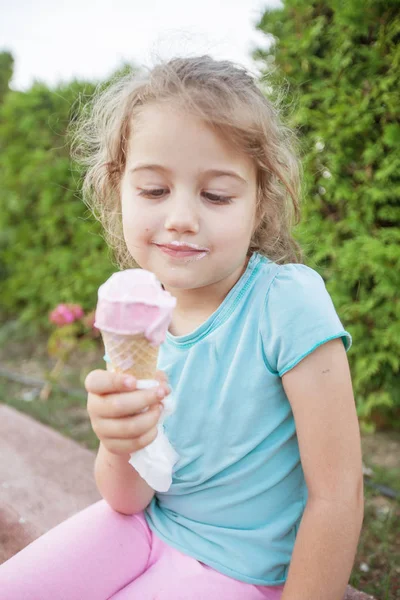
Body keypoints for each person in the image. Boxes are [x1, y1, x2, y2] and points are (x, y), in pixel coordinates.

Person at [0, 55, 364, 600]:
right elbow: (128, 500)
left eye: (216, 194)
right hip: (143, 527)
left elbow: (339, 494)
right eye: (152, 190)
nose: (181, 218)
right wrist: (118, 442)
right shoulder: (137, 307)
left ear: (260, 202)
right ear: (116, 188)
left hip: (237, 568)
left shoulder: (285, 302)